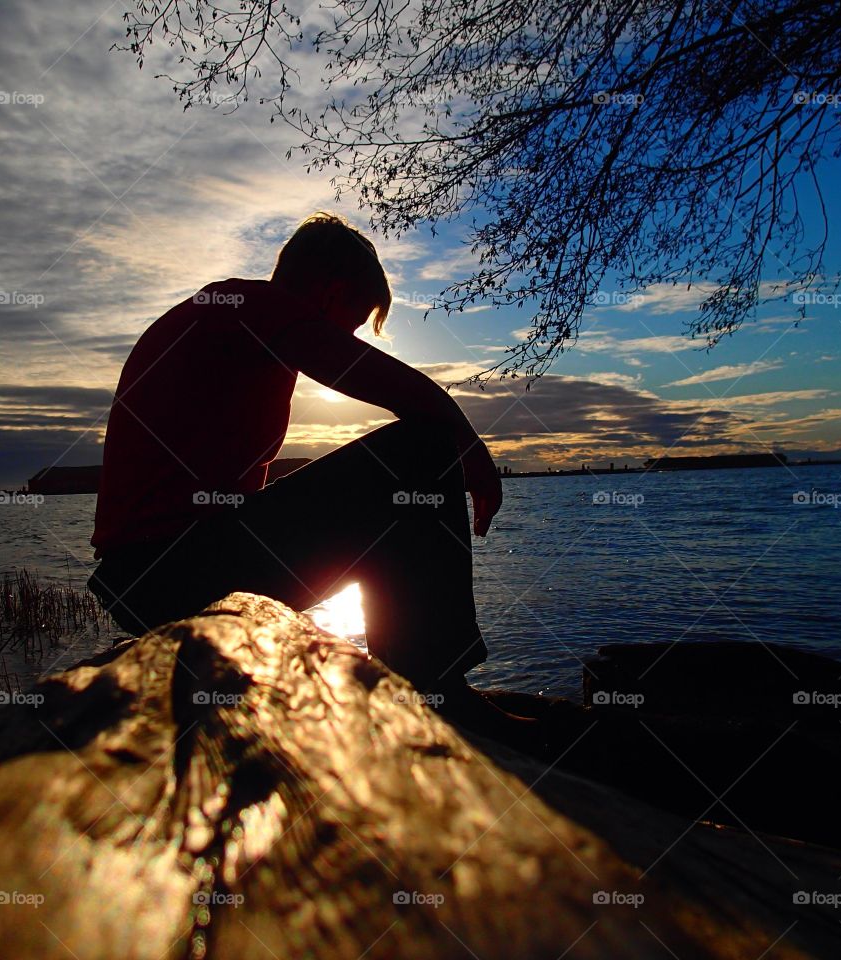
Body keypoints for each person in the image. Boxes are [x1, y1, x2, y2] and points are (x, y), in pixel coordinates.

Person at [87, 212, 537, 744]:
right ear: (330, 292)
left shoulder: (235, 328)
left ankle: (414, 680)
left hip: (159, 570)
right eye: (349, 322)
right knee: (422, 447)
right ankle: (435, 688)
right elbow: (401, 389)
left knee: (389, 504)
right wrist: (473, 455)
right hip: (166, 569)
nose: (343, 339)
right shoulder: (250, 307)